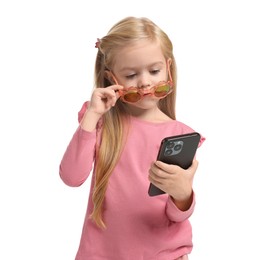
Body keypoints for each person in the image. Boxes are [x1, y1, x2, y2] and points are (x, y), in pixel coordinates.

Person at [59, 16, 205, 260]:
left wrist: (183, 194)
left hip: (163, 255)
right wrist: (92, 116)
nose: (145, 81)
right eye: (130, 75)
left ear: (168, 67)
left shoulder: (180, 135)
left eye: (154, 70)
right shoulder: (101, 124)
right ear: (110, 78)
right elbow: (71, 177)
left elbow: (177, 216)